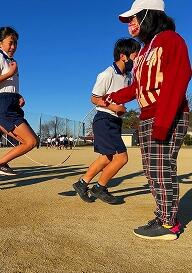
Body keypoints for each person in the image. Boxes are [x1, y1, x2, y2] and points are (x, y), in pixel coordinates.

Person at [101, 0, 191, 240]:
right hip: (147, 116)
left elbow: (178, 77)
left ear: (149, 15)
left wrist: (163, 122)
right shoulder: (142, 51)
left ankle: (168, 224)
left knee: (161, 169)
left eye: (133, 17)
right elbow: (138, 87)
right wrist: (113, 95)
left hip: (167, 114)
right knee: (152, 170)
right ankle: (164, 215)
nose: (130, 23)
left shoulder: (171, 40)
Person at [73, 38, 140, 204]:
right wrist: (114, 107)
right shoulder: (107, 74)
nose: (138, 57)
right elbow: (94, 98)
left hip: (114, 121)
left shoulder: (128, 76)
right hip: (104, 119)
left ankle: (81, 184)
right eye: (135, 54)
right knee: (122, 158)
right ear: (124, 56)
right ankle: (99, 188)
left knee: (106, 158)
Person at [0, 26, 38, 176]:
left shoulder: (13, 61)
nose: (13, 46)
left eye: (15, 43)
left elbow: (9, 85)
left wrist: (18, 96)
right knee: (31, 142)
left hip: (12, 102)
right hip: (4, 104)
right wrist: (10, 72)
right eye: (10, 42)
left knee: (33, 140)